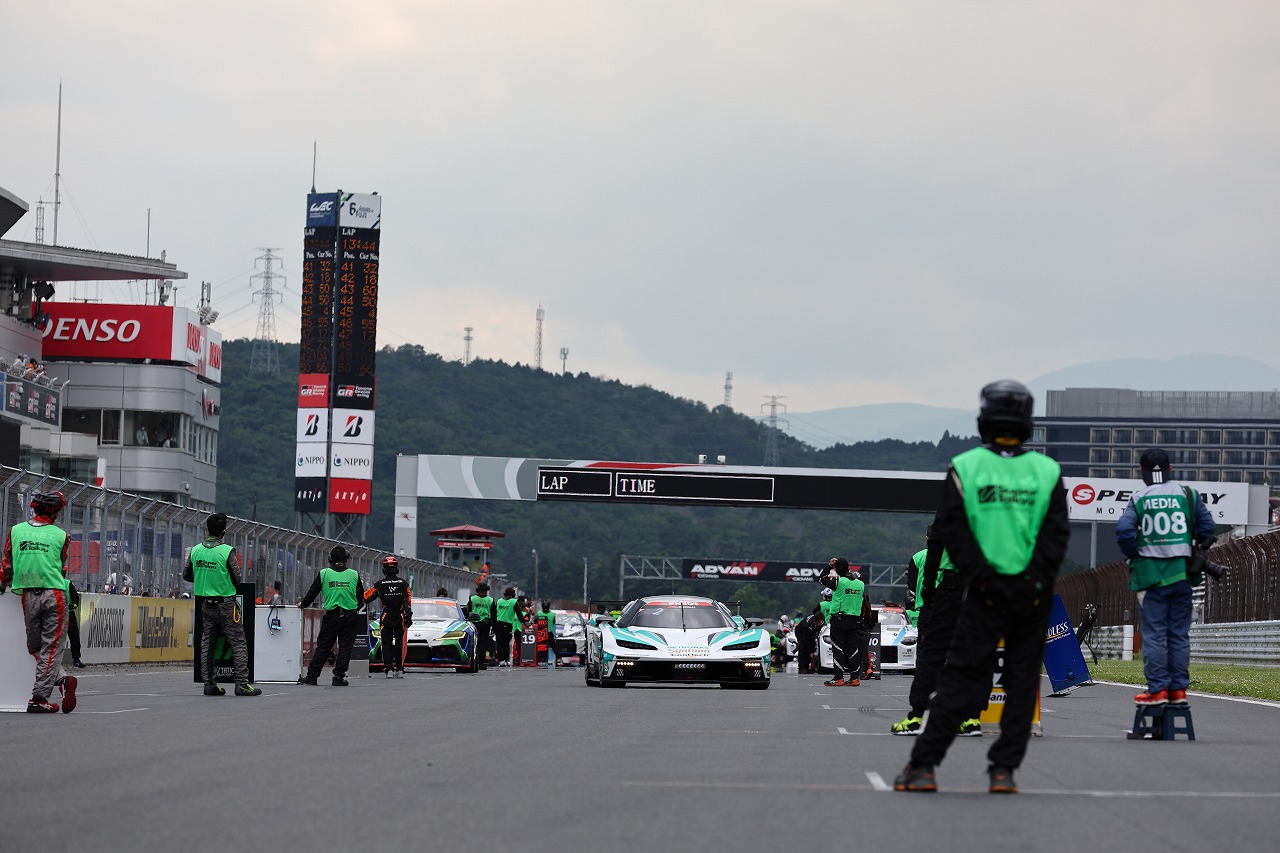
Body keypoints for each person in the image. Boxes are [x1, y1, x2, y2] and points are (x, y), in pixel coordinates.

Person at [894, 379, 1069, 794]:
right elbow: (1056, 537)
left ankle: (923, 767)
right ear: (1027, 421)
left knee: (960, 677)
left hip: (980, 592)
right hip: (1032, 594)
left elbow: (950, 531)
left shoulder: (966, 466)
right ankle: (1003, 771)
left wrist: (983, 577)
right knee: (1022, 681)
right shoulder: (1047, 471)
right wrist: (1032, 580)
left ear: (984, 418)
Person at [1115, 448, 1215, 706]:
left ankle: (1158, 690)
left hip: (1151, 578)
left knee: (1155, 634)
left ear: (1141, 471)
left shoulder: (1139, 498)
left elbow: (1124, 531)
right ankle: (1178, 691)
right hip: (1182, 575)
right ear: (1171, 469)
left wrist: (1134, 555)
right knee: (1179, 634)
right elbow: (1208, 529)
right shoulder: (1188, 494)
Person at [891, 527, 982, 737]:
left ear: (928, 537)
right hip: (972, 602)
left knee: (928, 657)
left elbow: (913, 585)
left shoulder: (920, 556)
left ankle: (918, 716)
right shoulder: (980, 540)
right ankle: (971, 718)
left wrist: (929, 593)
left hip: (936, 604)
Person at [1, 491, 78, 713]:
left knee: (35, 647)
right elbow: (61, 568)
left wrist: (2, 586)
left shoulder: (16, 531)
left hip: (28, 596)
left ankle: (45, 692)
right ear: (54, 512)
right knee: (49, 648)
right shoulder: (62, 536)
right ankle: (52, 687)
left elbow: (7, 565)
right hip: (55, 595)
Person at [183, 512, 261, 697]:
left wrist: (205, 578)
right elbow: (237, 578)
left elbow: (187, 575)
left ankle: (209, 684)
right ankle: (242, 684)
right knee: (238, 643)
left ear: (207, 529)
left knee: (207, 644)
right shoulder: (227, 551)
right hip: (226, 604)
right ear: (223, 532)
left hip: (206, 604)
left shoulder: (195, 550)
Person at [298, 546, 366, 686]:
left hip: (332, 615)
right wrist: (355, 607)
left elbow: (312, 593)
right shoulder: (354, 574)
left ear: (330, 560)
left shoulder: (324, 573)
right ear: (346, 560)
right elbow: (360, 596)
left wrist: (303, 604)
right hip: (350, 615)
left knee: (323, 646)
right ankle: (338, 677)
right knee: (345, 646)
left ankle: (312, 676)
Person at [364, 556, 412, 678]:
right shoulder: (404, 584)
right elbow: (408, 602)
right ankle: (400, 669)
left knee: (386, 643)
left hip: (386, 617)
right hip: (400, 617)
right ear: (397, 569)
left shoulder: (379, 584)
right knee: (400, 643)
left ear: (384, 570)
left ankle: (388, 669)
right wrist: (408, 616)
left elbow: (366, 597)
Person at [820, 557, 865, 687]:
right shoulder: (860, 584)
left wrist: (829, 566)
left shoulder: (838, 581)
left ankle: (838, 677)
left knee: (838, 647)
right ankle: (855, 678)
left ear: (836, 570)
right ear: (849, 568)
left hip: (839, 619)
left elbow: (821, 579)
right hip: (854, 619)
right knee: (853, 649)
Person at [467, 581, 496, 670]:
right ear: (487, 590)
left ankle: (473, 661)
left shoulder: (472, 599)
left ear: (477, 590)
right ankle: (481, 663)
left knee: (475, 643)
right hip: (485, 624)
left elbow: (468, 611)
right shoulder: (490, 600)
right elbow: (494, 614)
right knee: (483, 644)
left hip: (474, 624)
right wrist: (494, 626)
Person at [494, 587, 521, 667]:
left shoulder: (499, 601)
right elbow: (519, 613)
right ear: (513, 595)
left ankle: (501, 660)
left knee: (500, 643)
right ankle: (506, 660)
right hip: (508, 625)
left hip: (498, 624)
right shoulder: (513, 602)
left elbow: (494, 613)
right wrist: (525, 622)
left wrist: (493, 625)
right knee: (506, 643)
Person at [793, 605, 823, 674]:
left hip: (811, 631)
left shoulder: (820, 619)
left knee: (813, 646)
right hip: (800, 632)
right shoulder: (807, 626)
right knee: (803, 648)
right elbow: (806, 640)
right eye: (818, 623)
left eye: (820, 623)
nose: (819, 624)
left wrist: (817, 632)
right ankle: (802, 667)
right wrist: (810, 652)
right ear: (814, 621)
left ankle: (811, 665)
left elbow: (819, 628)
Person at [67, 577, 86, 668]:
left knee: (74, 636)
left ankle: (76, 659)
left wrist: (73, 605)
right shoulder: (51, 583)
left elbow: (75, 598)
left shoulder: (67, 584)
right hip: (55, 614)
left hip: (68, 613)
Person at [535, 599, 557, 668]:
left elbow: (535, 622)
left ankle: (538, 659)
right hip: (548, 632)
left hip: (541, 633)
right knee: (553, 646)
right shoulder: (552, 614)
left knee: (539, 646)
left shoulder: (539, 614)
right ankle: (558, 657)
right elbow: (554, 622)